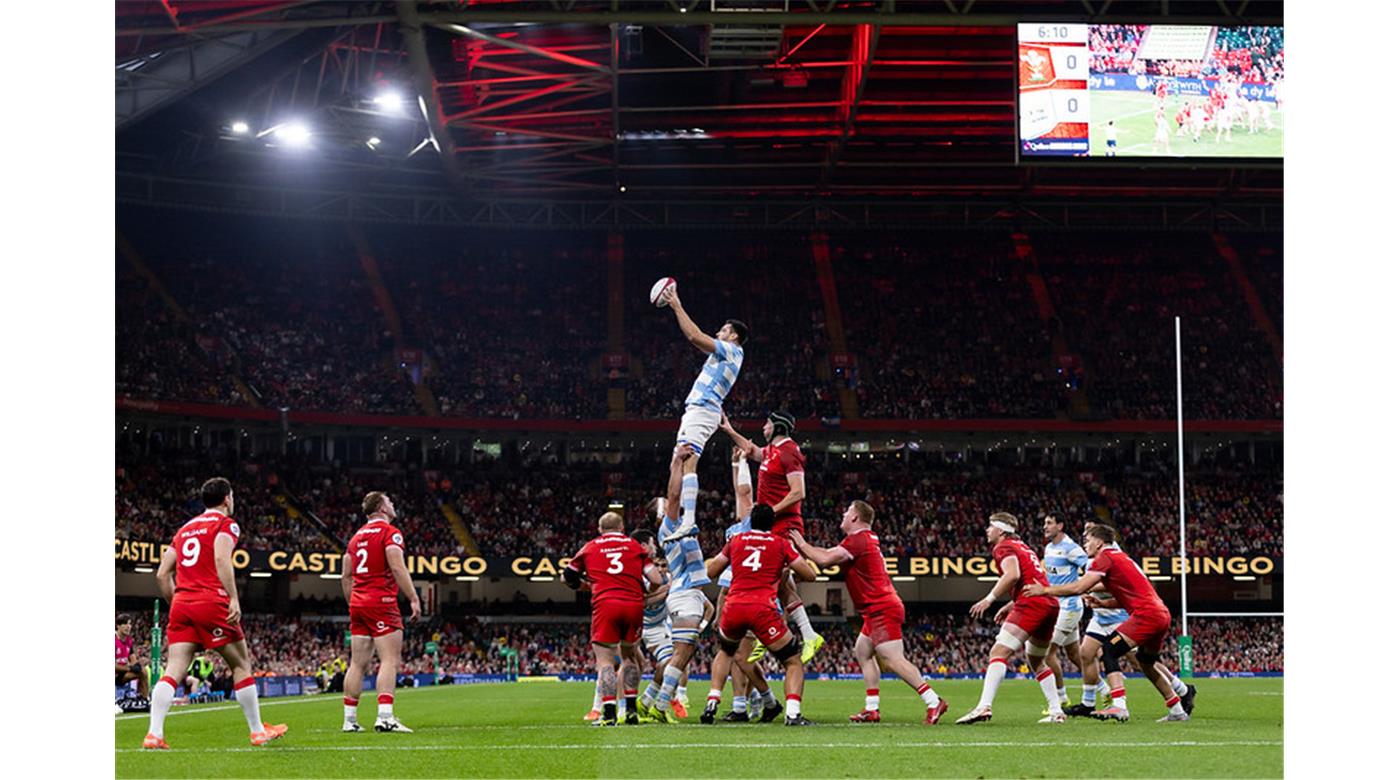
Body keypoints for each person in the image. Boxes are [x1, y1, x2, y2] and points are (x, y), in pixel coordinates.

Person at [143, 477, 287, 750]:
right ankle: (257, 731)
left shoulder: (184, 529)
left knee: (173, 670)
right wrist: (233, 597)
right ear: (227, 499)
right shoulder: (225, 524)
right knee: (241, 665)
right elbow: (221, 558)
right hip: (211, 600)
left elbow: (163, 574)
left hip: (182, 603)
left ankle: (154, 733)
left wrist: (179, 603)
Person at [789, 500, 948, 725]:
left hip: (881, 607)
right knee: (862, 651)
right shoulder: (865, 539)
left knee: (892, 659)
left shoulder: (858, 540)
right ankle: (872, 709)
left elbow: (824, 560)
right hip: (875, 609)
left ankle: (933, 701)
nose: (843, 514)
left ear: (855, 518)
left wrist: (800, 543)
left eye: (847, 511)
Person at [1024, 524, 1190, 722]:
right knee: (1146, 663)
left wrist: (1044, 590)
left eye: (1087, 541)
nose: (1085, 545)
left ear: (1099, 542)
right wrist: (1104, 604)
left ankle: (1119, 705)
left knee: (1109, 651)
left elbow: (1079, 587)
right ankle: (1177, 709)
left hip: (1146, 616)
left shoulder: (1104, 558)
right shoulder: (1121, 558)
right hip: (1160, 614)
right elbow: (1129, 597)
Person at [718, 411, 824, 662]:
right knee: (781, 585)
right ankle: (792, 634)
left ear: (777, 426)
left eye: (766, 423)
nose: (763, 426)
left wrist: (768, 512)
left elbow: (798, 492)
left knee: (778, 579)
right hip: (772, 525)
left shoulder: (790, 452)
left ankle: (803, 635)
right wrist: (729, 430)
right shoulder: (772, 451)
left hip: (784, 524)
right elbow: (751, 449)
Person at [703, 503, 818, 726]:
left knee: (727, 651)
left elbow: (711, 571)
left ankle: (713, 700)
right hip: (763, 610)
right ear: (772, 524)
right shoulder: (781, 544)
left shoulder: (735, 541)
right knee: (792, 661)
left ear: (751, 522)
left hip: (734, 606)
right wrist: (783, 571)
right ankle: (793, 714)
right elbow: (810, 574)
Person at [654, 283, 747, 542]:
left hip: (703, 408)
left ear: (734, 336)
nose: (719, 331)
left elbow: (695, 336)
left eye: (724, 329)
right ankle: (686, 520)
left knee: (689, 460)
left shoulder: (732, 350)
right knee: (683, 462)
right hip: (700, 410)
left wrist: (676, 304)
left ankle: (689, 520)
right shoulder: (729, 353)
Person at [955, 512, 1065, 725]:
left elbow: (1012, 575)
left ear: (1001, 530)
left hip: (1033, 603)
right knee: (1037, 661)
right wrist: (1010, 604)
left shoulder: (1003, 547)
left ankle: (983, 706)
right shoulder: (1023, 546)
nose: (987, 531)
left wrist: (989, 599)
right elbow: (1029, 580)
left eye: (990, 526)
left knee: (998, 652)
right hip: (1048, 603)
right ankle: (1056, 710)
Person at [700, 445, 779, 724]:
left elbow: (744, 493)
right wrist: (736, 466)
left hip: (747, 599)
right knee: (737, 657)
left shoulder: (742, 535)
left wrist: (743, 463)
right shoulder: (739, 532)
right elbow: (740, 494)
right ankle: (745, 704)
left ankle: (760, 700)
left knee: (740, 656)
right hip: (747, 597)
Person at [563, 511, 664, 726]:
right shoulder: (635, 546)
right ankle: (630, 710)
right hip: (633, 605)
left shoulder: (590, 546)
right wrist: (646, 591)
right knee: (630, 658)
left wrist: (583, 585)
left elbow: (568, 576)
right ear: (622, 528)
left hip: (605, 604)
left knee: (606, 661)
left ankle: (608, 713)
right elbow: (656, 578)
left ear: (600, 529)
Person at [643, 446, 718, 723]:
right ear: (659, 515)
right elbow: (675, 494)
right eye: (665, 506)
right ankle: (660, 707)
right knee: (681, 654)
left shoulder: (678, 525)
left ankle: (649, 700)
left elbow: (678, 495)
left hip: (690, 593)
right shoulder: (669, 526)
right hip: (684, 593)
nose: (670, 504)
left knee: (683, 655)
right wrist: (677, 462)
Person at [340, 491, 422, 733]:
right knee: (389, 660)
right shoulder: (390, 533)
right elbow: (397, 566)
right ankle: (385, 717)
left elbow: (346, 575)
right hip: (382, 601)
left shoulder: (355, 538)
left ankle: (350, 720)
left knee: (357, 663)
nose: (393, 504)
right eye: (390, 501)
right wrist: (413, 597)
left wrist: (352, 602)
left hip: (358, 603)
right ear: (382, 508)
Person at [1040, 514, 1089, 712]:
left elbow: (1091, 567)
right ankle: (1105, 691)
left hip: (1069, 607)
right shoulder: (1049, 548)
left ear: (1060, 525)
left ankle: (1061, 699)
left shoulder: (1071, 548)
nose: (1045, 526)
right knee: (1074, 655)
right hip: (1057, 606)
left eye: (1049, 523)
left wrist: (1084, 588)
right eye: (1044, 523)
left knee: (1046, 653)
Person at [116, 614, 149, 699]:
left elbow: (133, 660)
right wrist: (129, 668)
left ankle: (145, 699)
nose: (128, 627)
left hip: (122, 674)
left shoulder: (129, 641)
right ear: (118, 626)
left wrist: (137, 666)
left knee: (143, 671)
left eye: (129, 624)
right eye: (125, 624)